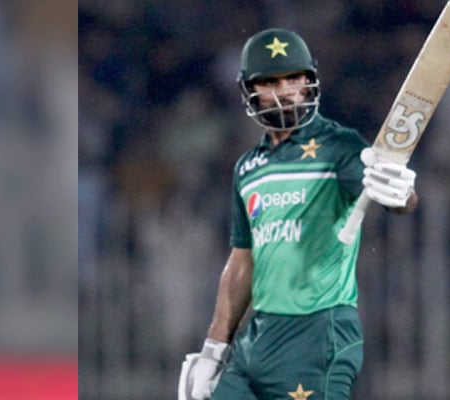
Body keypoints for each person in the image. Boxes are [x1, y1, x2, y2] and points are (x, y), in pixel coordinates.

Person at [178, 28, 418, 400]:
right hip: (257, 337)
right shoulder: (247, 168)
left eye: (294, 78)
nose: (285, 90)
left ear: (310, 83)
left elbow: (394, 198)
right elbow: (243, 261)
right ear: (249, 90)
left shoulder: (340, 146)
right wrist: (215, 347)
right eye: (270, 81)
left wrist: (401, 191)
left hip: (318, 331)